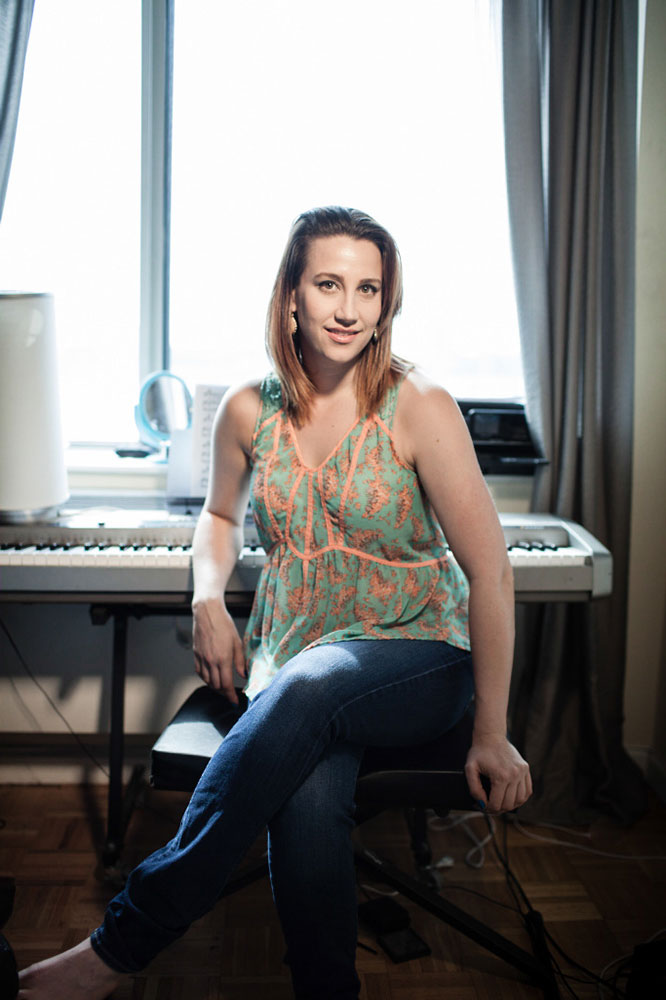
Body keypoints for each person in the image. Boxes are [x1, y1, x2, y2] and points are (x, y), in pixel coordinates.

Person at [17, 207, 531, 999]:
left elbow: (491, 572)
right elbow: (219, 518)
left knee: (310, 685)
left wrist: (492, 733)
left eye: (369, 289)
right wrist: (207, 599)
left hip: (419, 656)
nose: (349, 308)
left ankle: (123, 944)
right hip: (295, 659)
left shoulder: (419, 403)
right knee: (311, 786)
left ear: (388, 303)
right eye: (329, 284)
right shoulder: (249, 411)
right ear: (291, 294)